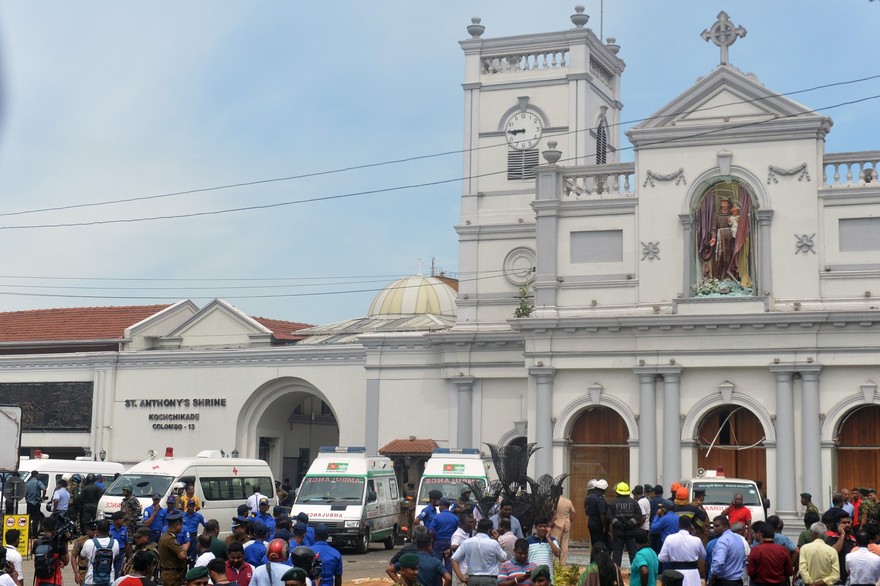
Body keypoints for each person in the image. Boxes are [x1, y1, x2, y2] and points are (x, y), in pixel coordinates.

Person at [451, 518, 508, 586]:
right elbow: (503, 558)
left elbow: (454, 559)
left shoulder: (467, 542)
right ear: (490, 530)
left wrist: (461, 577)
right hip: (489, 580)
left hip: (473, 579)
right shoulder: (494, 544)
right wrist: (497, 540)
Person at [658, 516, 706, 586]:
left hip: (675, 574)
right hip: (693, 574)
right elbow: (703, 555)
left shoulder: (670, 538)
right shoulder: (697, 540)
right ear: (690, 526)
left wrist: (672, 557)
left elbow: (662, 558)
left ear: (678, 525)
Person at [608, 482, 643, 567]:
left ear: (617, 492)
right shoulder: (634, 502)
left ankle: (616, 572)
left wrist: (618, 524)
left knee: (617, 553)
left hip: (618, 532)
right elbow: (639, 515)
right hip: (631, 532)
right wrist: (630, 523)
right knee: (632, 553)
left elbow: (609, 516)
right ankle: (635, 571)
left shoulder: (612, 503)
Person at [746, 522, 790, 586]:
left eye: (753, 533)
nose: (753, 535)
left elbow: (750, 572)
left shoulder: (755, 550)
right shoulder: (783, 550)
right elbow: (789, 571)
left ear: (760, 534)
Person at [80, 519, 120, 586]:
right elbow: (116, 556)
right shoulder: (115, 543)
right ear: (109, 529)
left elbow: (82, 555)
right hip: (109, 580)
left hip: (91, 580)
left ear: (97, 529)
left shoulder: (89, 542)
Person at [708, 516, 746, 586]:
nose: (715, 529)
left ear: (726, 526)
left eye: (717, 526)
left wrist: (712, 580)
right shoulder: (739, 538)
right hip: (737, 581)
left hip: (724, 581)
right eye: (714, 526)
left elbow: (719, 562)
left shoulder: (723, 540)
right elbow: (743, 560)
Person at [36, 516, 71, 586]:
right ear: (55, 527)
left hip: (40, 580)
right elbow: (66, 561)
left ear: (43, 527)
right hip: (54, 580)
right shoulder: (57, 543)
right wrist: (65, 542)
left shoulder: (36, 543)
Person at [158, 510, 190, 586]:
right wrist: (184, 548)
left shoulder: (170, 536)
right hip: (171, 576)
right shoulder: (169, 538)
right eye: (181, 525)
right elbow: (182, 555)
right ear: (176, 525)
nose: (182, 527)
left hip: (173, 574)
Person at [525, 517, 559, 584]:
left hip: (547, 578)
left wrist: (548, 539)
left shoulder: (552, 540)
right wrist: (527, 575)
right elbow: (525, 560)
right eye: (540, 526)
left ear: (547, 527)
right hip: (533, 578)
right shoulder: (528, 541)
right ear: (535, 527)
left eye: (544, 526)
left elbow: (557, 553)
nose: (542, 528)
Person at [825, 512, 855, 585]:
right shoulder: (832, 538)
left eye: (848, 522)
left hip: (851, 579)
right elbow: (834, 552)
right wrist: (842, 535)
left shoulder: (854, 540)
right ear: (838, 525)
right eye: (844, 523)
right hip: (838, 580)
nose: (847, 525)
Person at [431, 498, 460, 567]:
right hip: (450, 543)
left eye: (439, 506)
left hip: (438, 542)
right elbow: (458, 531)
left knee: (437, 563)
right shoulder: (455, 518)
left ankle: (438, 577)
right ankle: (448, 577)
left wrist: (433, 539)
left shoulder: (437, 517)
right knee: (449, 564)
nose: (439, 508)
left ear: (442, 506)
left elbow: (431, 531)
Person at [585, 480, 610, 555]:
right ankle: (600, 559)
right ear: (603, 490)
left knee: (594, 542)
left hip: (591, 521)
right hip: (598, 523)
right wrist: (605, 527)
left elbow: (586, 510)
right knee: (600, 543)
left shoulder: (588, 497)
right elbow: (602, 514)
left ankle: (594, 559)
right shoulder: (600, 499)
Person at [550, 490, 576, 564]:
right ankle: (563, 563)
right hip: (566, 524)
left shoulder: (554, 501)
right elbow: (574, 512)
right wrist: (570, 520)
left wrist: (551, 522)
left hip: (556, 523)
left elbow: (553, 513)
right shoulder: (568, 501)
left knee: (555, 543)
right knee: (564, 544)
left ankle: (554, 562)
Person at [73, 520, 99, 586]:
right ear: (88, 531)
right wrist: (76, 573)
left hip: (97, 571)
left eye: (96, 530)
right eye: (92, 530)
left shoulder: (100, 541)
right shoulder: (81, 541)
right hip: (84, 571)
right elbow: (73, 556)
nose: (94, 532)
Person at [109, 512, 129, 580]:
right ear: (115, 520)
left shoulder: (124, 529)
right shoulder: (109, 529)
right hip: (111, 551)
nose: (123, 520)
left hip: (121, 552)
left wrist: (128, 555)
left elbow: (126, 542)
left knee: (118, 570)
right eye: (121, 518)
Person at [26, 470, 47, 535]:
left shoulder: (27, 483)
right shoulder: (38, 482)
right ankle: (35, 533)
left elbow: (25, 493)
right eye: (38, 475)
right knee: (36, 518)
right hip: (36, 503)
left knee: (28, 518)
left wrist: (27, 499)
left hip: (29, 503)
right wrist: (42, 497)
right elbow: (44, 489)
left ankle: (28, 533)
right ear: (36, 475)